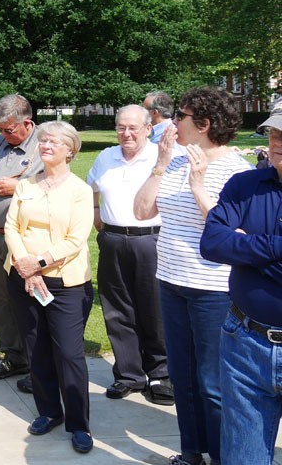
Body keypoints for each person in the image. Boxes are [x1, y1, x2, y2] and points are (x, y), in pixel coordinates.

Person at [134, 86, 252, 465]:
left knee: (212, 383)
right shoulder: (175, 161)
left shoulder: (239, 172)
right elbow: (141, 211)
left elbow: (231, 236)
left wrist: (199, 186)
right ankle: (191, 454)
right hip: (171, 282)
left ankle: (220, 456)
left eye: (180, 116)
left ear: (203, 124)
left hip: (213, 291)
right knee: (182, 376)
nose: (172, 122)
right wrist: (161, 163)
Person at [4, 121, 94, 454]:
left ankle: (79, 424)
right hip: (23, 278)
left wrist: (39, 263)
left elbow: (76, 239)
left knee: (69, 354)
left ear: (70, 150)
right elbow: (11, 228)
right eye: (42, 141)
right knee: (36, 347)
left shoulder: (80, 190)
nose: (45, 145)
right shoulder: (25, 186)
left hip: (66, 282)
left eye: (53, 141)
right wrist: (25, 266)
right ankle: (49, 411)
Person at [200, 102, 282, 465]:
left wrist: (247, 248)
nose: (278, 143)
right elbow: (213, 243)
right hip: (245, 343)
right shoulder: (244, 185)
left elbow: (230, 244)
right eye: (275, 133)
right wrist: (275, 247)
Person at [86, 105, 172, 405]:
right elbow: (91, 185)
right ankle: (128, 374)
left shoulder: (162, 156)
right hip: (112, 239)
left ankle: (161, 374)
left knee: (154, 308)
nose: (126, 133)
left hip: (151, 239)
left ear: (148, 129)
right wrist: (95, 210)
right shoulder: (106, 156)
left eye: (133, 127)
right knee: (117, 308)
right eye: (121, 127)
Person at [0, 94, 43, 394]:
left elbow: (57, 184)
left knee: (30, 301)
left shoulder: (45, 142)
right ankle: (14, 356)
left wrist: (18, 187)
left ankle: (39, 364)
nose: (3, 135)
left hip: (26, 237)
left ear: (27, 123)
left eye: (9, 129)